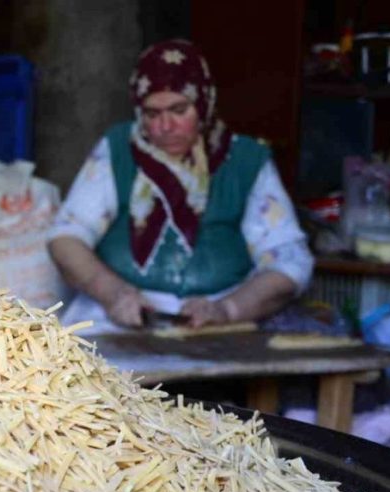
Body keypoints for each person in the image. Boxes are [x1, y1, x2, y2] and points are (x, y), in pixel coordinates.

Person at [47, 40, 313, 333]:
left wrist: (228, 309)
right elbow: (66, 238)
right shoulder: (117, 149)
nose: (165, 126)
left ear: (203, 103)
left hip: (218, 320)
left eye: (179, 109)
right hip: (118, 315)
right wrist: (113, 294)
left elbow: (290, 260)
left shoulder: (245, 161)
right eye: (151, 113)